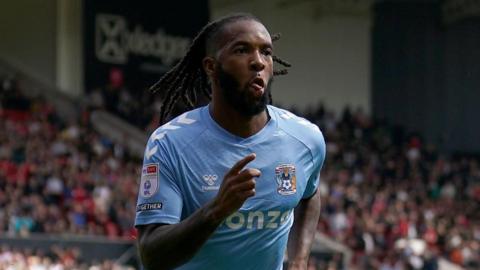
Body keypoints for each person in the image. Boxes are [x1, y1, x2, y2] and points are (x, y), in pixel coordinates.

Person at [135, 13, 326, 270]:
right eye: (242, 50)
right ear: (211, 66)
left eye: (266, 52)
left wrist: (299, 258)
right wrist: (216, 210)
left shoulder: (305, 139)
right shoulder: (170, 143)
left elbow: (309, 196)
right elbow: (151, 256)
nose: (258, 62)